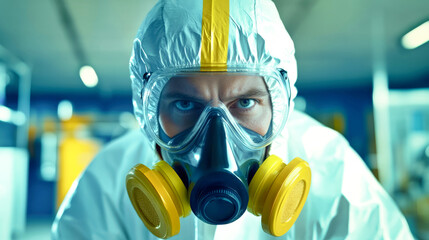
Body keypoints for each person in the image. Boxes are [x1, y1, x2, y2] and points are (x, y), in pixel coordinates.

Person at [51, 0, 414, 239]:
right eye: (185, 106)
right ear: (148, 113)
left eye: (244, 102)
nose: (216, 141)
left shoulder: (336, 182)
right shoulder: (105, 189)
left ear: (280, 106)